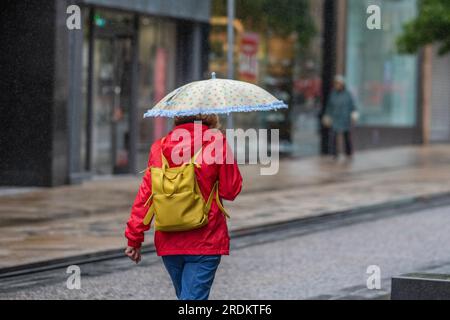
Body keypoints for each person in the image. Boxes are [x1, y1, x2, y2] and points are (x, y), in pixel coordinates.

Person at [124, 114, 242, 300]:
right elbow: (231, 190)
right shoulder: (216, 142)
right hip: (206, 238)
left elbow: (146, 196)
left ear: (176, 117)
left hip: (169, 239)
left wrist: (134, 238)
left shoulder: (159, 147)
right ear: (211, 117)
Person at [322, 75, 358, 159]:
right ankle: (334, 153)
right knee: (333, 136)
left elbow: (352, 106)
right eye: (336, 83)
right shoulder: (333, 94)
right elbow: (329, 106)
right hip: (335, 118)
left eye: (339, 84)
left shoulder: (347, 94)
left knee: (346, 136)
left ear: (342, 84)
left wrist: (354, 115)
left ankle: (348, 153)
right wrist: (327, 116)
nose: (338, 85)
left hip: (345, 118)